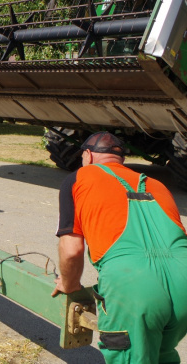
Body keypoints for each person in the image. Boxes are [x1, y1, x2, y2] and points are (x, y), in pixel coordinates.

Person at [52, 131, 187, 363]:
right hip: (183, 279)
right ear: (121, 158)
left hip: (134, 285)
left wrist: (69, 283)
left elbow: (72, 248)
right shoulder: (156, 184)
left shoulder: (80, 177)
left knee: (131, 356)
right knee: (163, 354)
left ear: (88, 155)